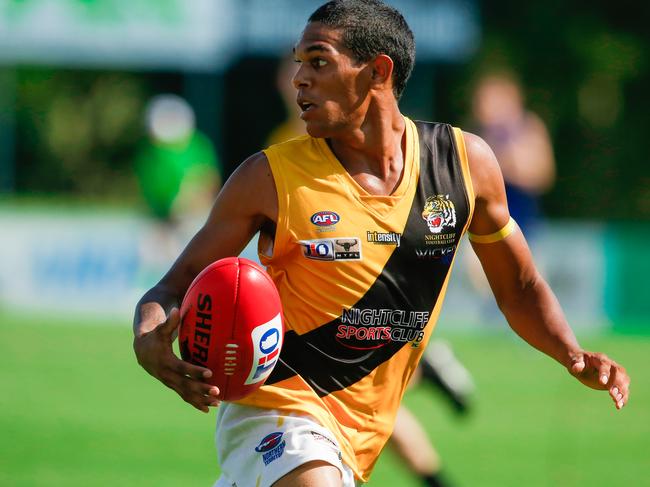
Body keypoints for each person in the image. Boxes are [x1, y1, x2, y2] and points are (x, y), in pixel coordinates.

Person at [132, 2, 630, 486]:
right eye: (298, 64)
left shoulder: (464, 165)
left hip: (365, 433)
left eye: (319, 62)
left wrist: (571, 353)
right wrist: (147, 336)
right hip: (277, 409)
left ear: (377, 71)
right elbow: (171, 286)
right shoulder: (266, 178)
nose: (298, 80)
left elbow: (518, 288)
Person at [268, 54, 473, 487]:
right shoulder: (283, 148)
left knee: (358, 389)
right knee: (369, 399)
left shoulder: (358, 143)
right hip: (320, 305)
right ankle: (425, 378)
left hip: (348, 298)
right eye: (295, 74)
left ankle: (422, 376)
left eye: (316, 67)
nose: (300, 82)